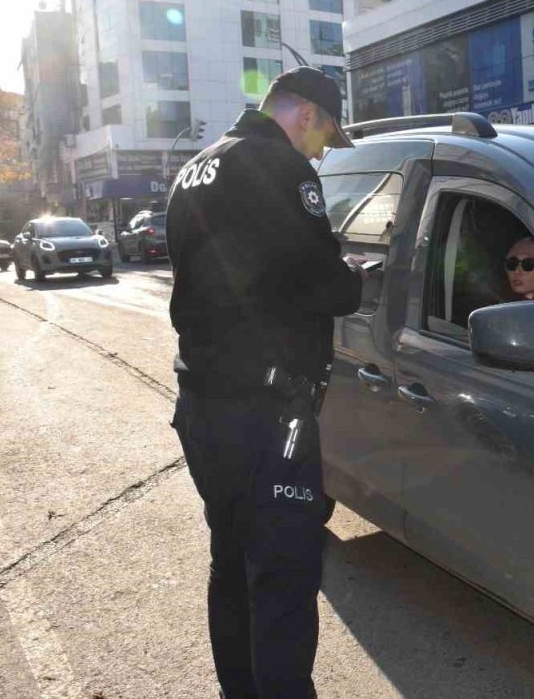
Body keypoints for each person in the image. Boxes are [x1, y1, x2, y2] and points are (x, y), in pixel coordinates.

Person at [165, 66, 363, 699]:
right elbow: (321, 284)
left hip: (202, 408)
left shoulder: (195, 167)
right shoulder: (281, 169)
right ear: (305, 114)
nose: (324, 151)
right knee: (282, 577)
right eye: (327, 136)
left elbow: (242, 278)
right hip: (266, 415)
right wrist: (356, 274)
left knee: (231, 564)